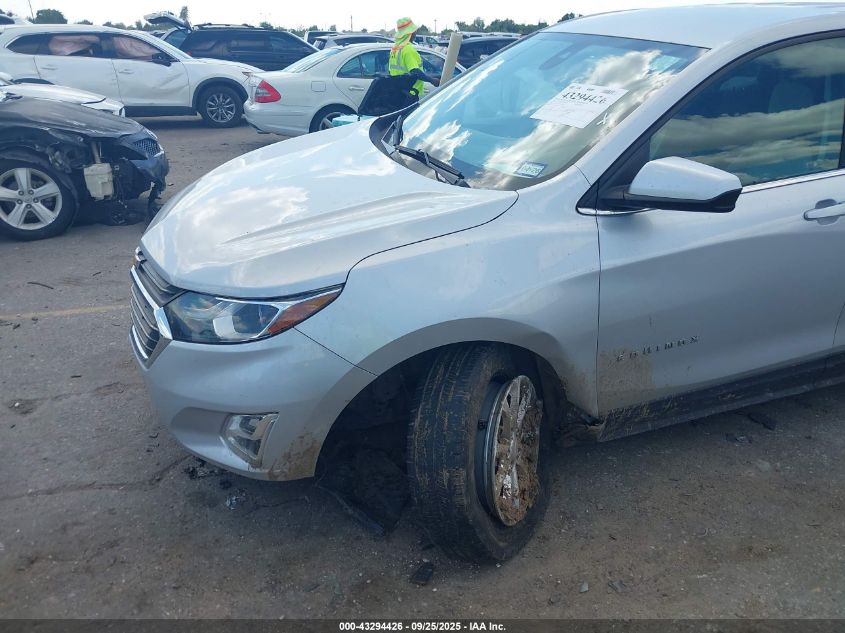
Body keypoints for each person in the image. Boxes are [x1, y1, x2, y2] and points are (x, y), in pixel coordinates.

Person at [389, 17, 440, 101]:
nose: (415, 33)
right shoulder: (408, 49)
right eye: (414, 31)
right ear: (409, 33)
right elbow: (415, 72)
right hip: (410, 93)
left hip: (398, 92)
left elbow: (392, 71)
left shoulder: (395, 48)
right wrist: (432, 80)